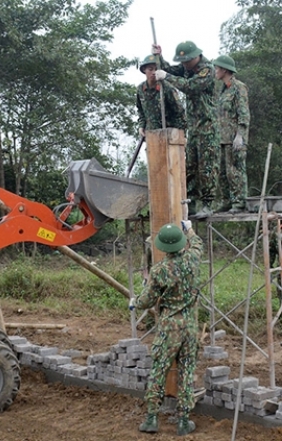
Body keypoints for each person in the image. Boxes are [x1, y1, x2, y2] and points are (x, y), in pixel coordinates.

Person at [130, 221, 203, 436]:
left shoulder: (159, 270)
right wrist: (188, 229)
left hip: (169, 326)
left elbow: (146, 300)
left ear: (162, 246)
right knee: (186, 371)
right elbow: (197, 244)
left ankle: (152, 418)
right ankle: (183, 421)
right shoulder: (192, 259)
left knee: (159, 370)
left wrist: (135, 302)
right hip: (190, 326)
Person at [153, 41, 221, 219]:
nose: (184, 65)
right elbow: (170, 70)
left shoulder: (207, 70)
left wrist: (166, 77)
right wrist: (159, 57)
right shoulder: (186, 69)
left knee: (207, 166)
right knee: (190, 166)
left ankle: (207, 204)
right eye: (182, 62)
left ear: (196, 57)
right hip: (194, 126)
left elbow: (191, 87)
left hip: (208, 126)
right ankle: (190, 202)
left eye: (186, 62)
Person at [213, 55, 250, 214]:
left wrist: (240, 135)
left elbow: (244, 113)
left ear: (225, 69)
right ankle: (227, 201)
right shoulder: (222, 90)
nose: (215, 71)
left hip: (235, 139)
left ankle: (239, 202)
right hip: (222, 138)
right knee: (222, 172)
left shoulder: (239, 87)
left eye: (217, 68)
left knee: (234, 171)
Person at [136, 54, 186, 137]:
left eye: (156, 69)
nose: (153, 72)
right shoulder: (140, 89)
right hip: (151, 134)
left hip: (169, 134)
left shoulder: (167, 88)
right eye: (150, 69)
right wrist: (141, 126)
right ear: (144, 70)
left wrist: (180, 135)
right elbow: (141, 110)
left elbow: (179, 113)